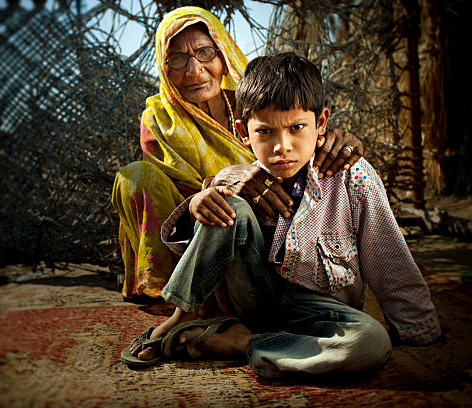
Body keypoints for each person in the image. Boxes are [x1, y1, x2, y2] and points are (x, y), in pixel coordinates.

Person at [121, 53, 441, 378]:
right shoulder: (240, 179)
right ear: (243, 132)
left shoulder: (352, 177)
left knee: (371, 342)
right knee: (226, 203)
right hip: (251, 297)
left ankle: (245, 343)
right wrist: (207, 197)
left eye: (297, 128)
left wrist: (416, 327)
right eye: (265, 132)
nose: (282, 146)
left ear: (322, 123)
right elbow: (209, 233)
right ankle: (184, 316)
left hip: (320, 312)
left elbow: (387, 255)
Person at [111, 6, 363, 300]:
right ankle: (173, 292)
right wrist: (220, 183)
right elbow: (169, 194)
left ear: (223, 52)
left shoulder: (256, 103)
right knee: (134, 176)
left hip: (264, 222)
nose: (194, 71)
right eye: (177, 60)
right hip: (191, 227)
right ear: (164, 68)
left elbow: (295, 138)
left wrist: (332, 140)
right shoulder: (158, 118)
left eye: (205, 53)